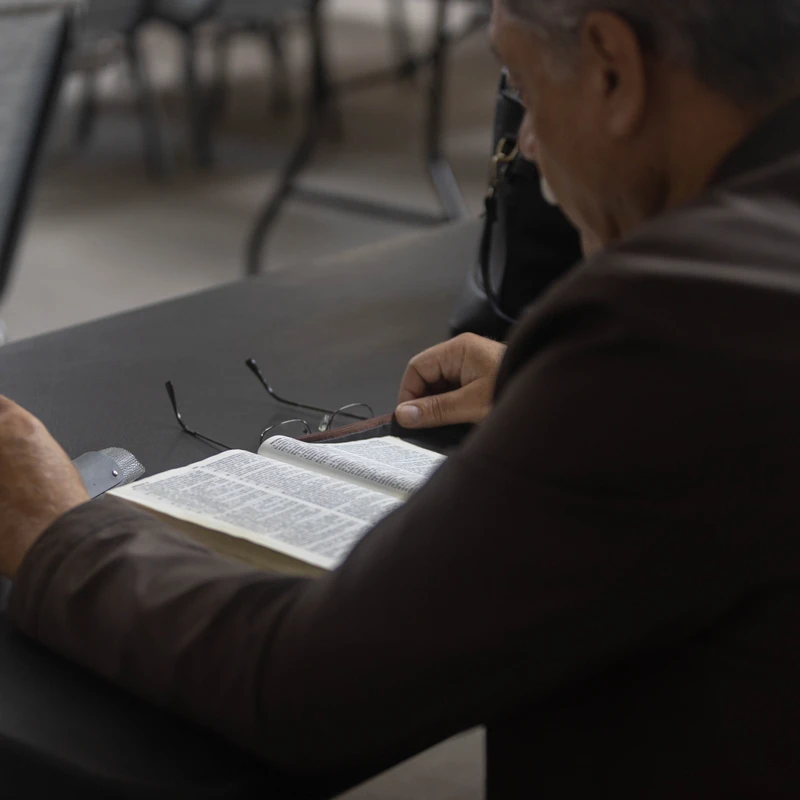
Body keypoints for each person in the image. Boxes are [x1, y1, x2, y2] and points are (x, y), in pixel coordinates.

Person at [3, 0, 800, 795]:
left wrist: (55, 535)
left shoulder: (668, 322)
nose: (525, 144)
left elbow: (307, 684)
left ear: (613, 68)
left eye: (520, 88)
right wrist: (566, 396)